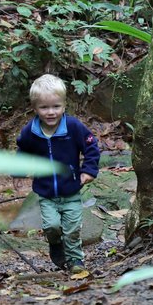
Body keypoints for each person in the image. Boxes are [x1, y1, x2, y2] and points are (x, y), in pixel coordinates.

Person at [16, 74, 100, 270]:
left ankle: (75, 261)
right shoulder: (31, 131)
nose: (51, 112)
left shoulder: (73, 127)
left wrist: (88, 170)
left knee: (71, 229)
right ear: (35, 108)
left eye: (56, 106)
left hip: (71, 189)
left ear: (64, 105)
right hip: (46, 192)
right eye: (44, 107)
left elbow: (91, 146)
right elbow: (22, 150)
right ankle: (55, 243)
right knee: (51, 227)